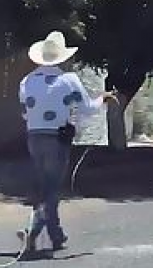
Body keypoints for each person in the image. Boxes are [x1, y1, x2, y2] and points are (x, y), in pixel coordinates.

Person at [17, 30, 118, 252]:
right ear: (64, 57)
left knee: (45, 186)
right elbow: (87, 109)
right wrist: (103, 97)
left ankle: (56, 235)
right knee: (53, 189)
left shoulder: (26, 82)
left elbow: (26, 114)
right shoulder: (69, 80)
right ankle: (32, 230)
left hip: (34, 138)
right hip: (57, 139)